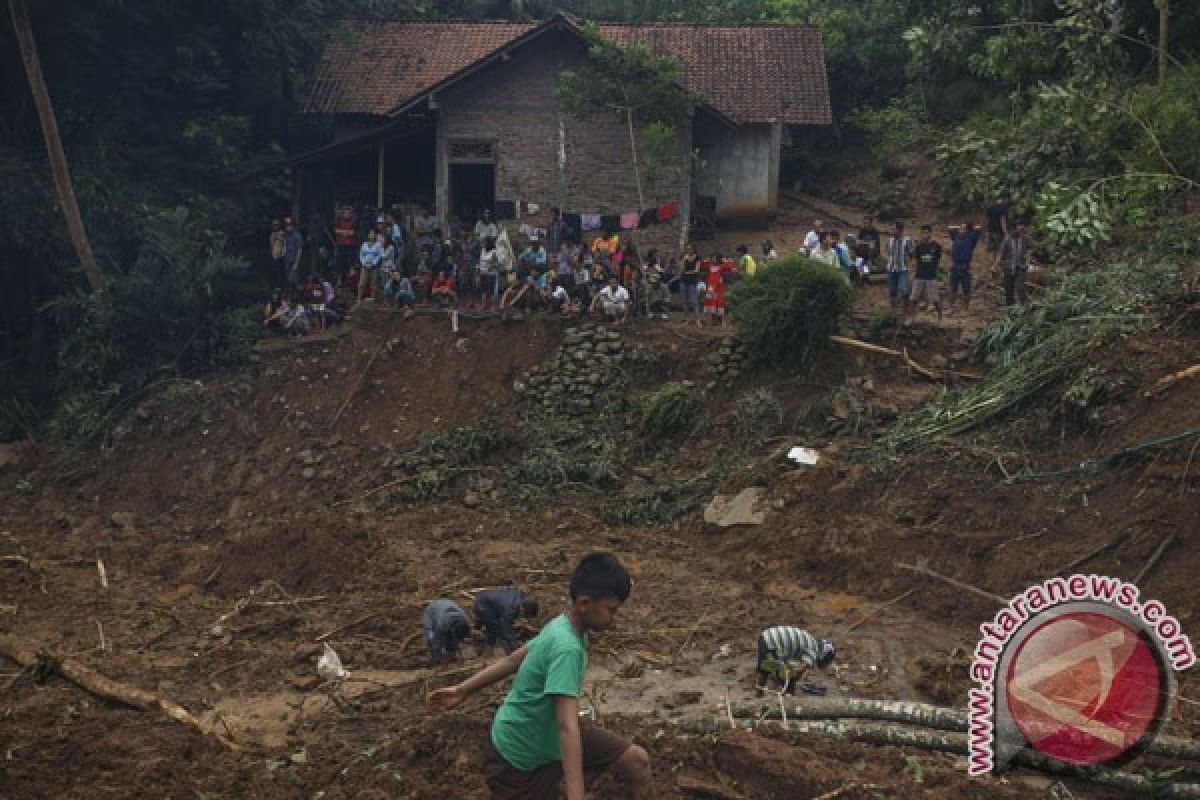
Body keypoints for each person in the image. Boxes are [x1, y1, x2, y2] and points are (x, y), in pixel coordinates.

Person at [428, 554, 650, 800]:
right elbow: (567, 727)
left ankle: (564, 779)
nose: (614, 620)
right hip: (519, 762)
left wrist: (462, 690)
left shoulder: (562, 625)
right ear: (585, 603)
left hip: (543, 734)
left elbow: (514, 659)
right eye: (611, 611)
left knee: (636, 761)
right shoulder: (567, 648)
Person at [755, 626, 836, 695]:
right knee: (769, 670)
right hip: (772, 642)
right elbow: (800, 669)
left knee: (770, 669)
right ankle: (763, 694)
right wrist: (793, 681)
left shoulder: (810, 640)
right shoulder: (813, 651)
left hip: (766, 636)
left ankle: (761, 692)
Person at [473, 587, 539, 655]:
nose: (525, 618)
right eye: (526, 616)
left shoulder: (520, 596)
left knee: (495, 622)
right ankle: (488, 650)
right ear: (523, 610)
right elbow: (507, 633)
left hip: (488, 597)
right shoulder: (509, 611)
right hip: (482, 604)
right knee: (494, 628)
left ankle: (476, 630)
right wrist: (516, 649)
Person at [993, 219, 1035, 306]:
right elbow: (1001, 253)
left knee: (1020, 287)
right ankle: (1010, 307)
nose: (1020, 230)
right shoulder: (1007, 240)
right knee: (1009, 289)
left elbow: (1032, 247)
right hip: (1008, 268)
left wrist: (1028, 254)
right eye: (1018, 228)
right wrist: (994, 266)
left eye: (1022, 228)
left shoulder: (1025, 239)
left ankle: (1024, 305)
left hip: (1021, 267)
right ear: (1013, 229)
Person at [423, 599, 471, 665]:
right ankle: (435, 659)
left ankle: (451, 654)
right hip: (431, 612)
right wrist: (438, 657)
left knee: (450, 636)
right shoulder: (441, 624)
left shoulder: (466, 620)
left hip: (446, 605)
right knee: (431, 637)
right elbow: (437, 640)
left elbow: (464, 634)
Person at [911, 224, 943, 323]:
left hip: (931, 276)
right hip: (919, 275)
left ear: (930, 233)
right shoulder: (919, 246)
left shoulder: (936, 246)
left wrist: (935, 270)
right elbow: (914, 257)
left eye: (926, 233)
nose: (924, 235)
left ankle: (940, 318)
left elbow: (938, 259)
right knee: (913, 298)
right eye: (923, 233)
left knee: (935, 299)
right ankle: (912, 317)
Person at [948, 222, 981, 312]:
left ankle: (965, 309)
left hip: (965, 267)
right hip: (955, 266)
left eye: (963, 229)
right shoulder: (955, 237)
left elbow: (978, 228)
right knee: (952, 288)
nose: (961, 230)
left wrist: (970, 227)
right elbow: (950, 227)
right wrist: (959, 226)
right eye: (960, 229)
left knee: (966, 288)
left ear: (967, 231)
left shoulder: (971, 239)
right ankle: (951, 307)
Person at [884, 222, 914, 312]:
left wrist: (908, 263)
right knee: (892, 290)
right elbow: (888, 253)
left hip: (903, 269)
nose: (891, 231)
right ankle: (893, 310)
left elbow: (912, 253)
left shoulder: (907, 241)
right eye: (891, 229)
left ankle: (905, 309)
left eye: (893, 229)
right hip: (891, 268)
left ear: (899, 230)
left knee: (904, 290)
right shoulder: (889, 241)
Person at [702, 253, 734, 327]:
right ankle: (713, 321)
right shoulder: (709, 266)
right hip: (710, 287)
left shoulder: (721, 266)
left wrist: (725, 260)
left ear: (718, 259)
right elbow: (702, 265)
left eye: (714, 258)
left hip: (718, 287)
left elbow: (729, 267)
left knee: (719, 303)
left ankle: (722, 322)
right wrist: (705, 260)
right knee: (711, 303)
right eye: (712, 258)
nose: (713, 259)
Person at [356, 230, 383, 305]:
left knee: (373, 283)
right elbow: (361, 254)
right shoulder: (364, 244)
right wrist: (364, 263)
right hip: (365, 266)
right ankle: (359, 299)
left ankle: (372, 298)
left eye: (373, 234)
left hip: (374, 266)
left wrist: (373, 263)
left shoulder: (378, 245)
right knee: (362, 283)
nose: (371, 235)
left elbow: (378, 255)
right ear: (368, 235)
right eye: (370, 234)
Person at [680, 244, 702, 327]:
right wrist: (683, 260)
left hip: (692, 281)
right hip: (684, 280)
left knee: (694, 301)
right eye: (687, 249)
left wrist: (687, 272)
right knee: (685, 301)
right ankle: (687, 319)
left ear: (693, 249)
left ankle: (697, 320)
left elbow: (696, 270)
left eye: (690, 248)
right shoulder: (684, 257)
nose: (689, 250)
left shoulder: (697, 258)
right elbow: (682, 270)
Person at [282, 218, 304, 288]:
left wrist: (296, 263)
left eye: (290, 224)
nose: (288, 226)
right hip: (286, 261)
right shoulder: (284, 235)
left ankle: (295, 295)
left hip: (294, 261)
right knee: (287, 279)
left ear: (293, 225)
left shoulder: (297, 236)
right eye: (286, 225)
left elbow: (299, 250)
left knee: (292, 280)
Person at [269, 220, 286, 286]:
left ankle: (284, 286)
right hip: (275, 256)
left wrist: (278, 237)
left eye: (276, 225)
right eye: (274, 225)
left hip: (282, 256)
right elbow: (271, 245)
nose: (275, 227)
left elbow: (284, 242)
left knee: (283, 272)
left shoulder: (282, 233)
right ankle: (277, 286)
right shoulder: (272, 234)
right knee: (276, 272)